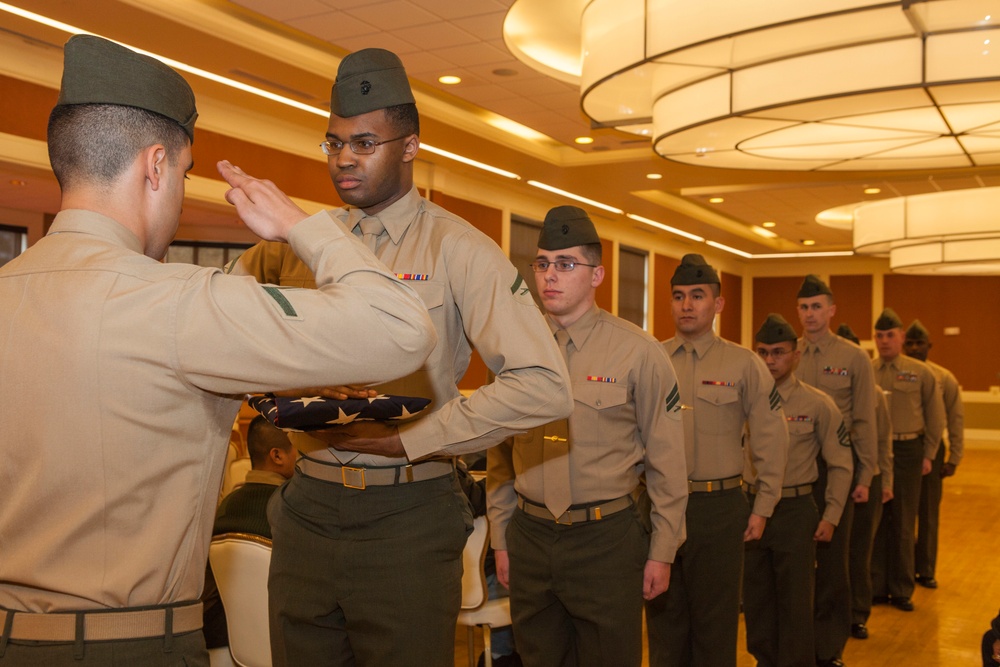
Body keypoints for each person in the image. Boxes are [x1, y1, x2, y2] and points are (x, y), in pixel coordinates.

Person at [0, 35, 435, 667]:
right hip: (129, 647)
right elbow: (400, 325)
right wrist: (302, 227)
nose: (177, 190)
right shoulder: (177, 304)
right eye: (183, 171)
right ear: (155, 166)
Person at [227, 48, 572, 667]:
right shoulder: (300, 243)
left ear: (409, 146)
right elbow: (218, 319)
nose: (345, 160)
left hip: (408, 512)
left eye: (364, 142)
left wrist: (418, 439)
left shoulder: (459, 249)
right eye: (333, 144)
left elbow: (544, 385)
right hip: (306, 503)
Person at [486, 207, 687, 667]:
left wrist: (663, 550)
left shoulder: (639, 352)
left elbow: (667, 462)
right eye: (542, 264)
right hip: (531, 537)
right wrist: (502, 537)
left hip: (606, 540)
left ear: (597, 274)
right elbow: (499, 454)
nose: (550, 276)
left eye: (566, 264)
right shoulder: (514, 348)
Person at [645, 253, 788, 667]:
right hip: (660, 506)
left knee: (715, 624)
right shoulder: (652, 360)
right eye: (678, 296)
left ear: (718, 304)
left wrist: (763, 506)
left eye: (697, 295)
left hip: (719, 509)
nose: (686, 305)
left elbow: (770, 437)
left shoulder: (744, 364)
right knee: (664, 621)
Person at [743, 314, 853, 667]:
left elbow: (841, 463)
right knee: (757, 598)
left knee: (795, 600)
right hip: (750, 507)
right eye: (762, 352)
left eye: (778, 352)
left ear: (796, 356)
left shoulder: (817, 404)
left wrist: (832, 515)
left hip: (794, 511)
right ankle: (764, 660)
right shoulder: (741, 401)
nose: (770, 360)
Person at [795, 276, 879, 667]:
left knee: (832, 566)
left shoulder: (853, 357)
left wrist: (866, 476)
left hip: (835, 472)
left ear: (831, 310)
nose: (809, 314)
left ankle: (829, 650)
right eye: (804, 307)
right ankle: (797, 644)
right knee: (796, 565)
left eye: (816, 307)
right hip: (793, 474)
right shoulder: (787, 353)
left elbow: (864, 420)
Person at [870, 308, 945, 613]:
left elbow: (936, 417)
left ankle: (901, 589)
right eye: (879, 335)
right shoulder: (866, 370)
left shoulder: (922, 373)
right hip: (876, 452)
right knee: (876, 520)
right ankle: (876, 585)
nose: (884, 341)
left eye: (890, 335)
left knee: (903, 521)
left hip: (908, 451)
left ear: (901, 337)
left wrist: (928, 454)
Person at [203, 416, 298, 648]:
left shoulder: (225, 508)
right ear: (277, 456)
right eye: (300, 446)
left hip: (224, 640)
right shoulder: (295, 510)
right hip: (285, 641)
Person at [836, 324, 894, 642]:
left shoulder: (875, 396)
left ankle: (857, 614)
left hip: (865, 480)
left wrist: (884, 481)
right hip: (831, 480)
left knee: (858, 553)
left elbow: (884, 442)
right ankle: (830, 614)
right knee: (832, 555)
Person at [905, 319, 965, 589]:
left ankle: (925, 569)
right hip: (903, 448)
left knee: (928, 511)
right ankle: (900, 568)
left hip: (933, 448)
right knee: (899, 514)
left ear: (930, 346)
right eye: (910, 343)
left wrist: (954, 457)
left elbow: (955, 419)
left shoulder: (944, 377)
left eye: (920, 343)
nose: (915, 347)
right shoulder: (897, 373)